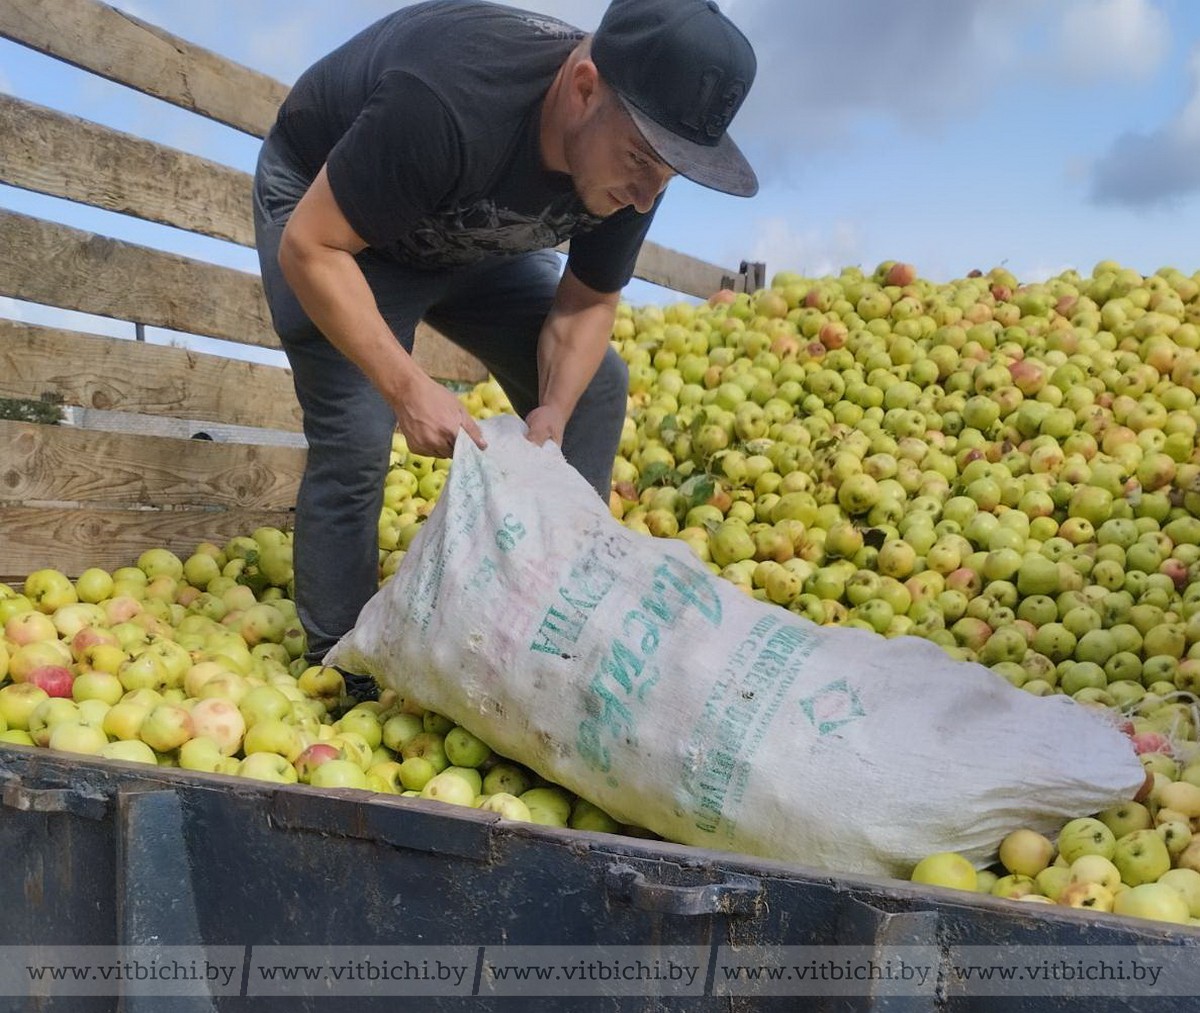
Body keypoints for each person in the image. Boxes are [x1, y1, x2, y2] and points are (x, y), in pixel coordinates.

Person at [252, 0, 758, 704]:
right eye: (642, 159)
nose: (646, 196)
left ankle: (550, 623)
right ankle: (342, 669)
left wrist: (552, 410)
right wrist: (406, 386)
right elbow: (312, 246)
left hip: (465, 232)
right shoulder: (447, 97)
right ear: (584, 87)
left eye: (668, 172)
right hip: (336, 225)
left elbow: (586, 301)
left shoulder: (633, 168)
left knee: (596, 389)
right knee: (358, 428)